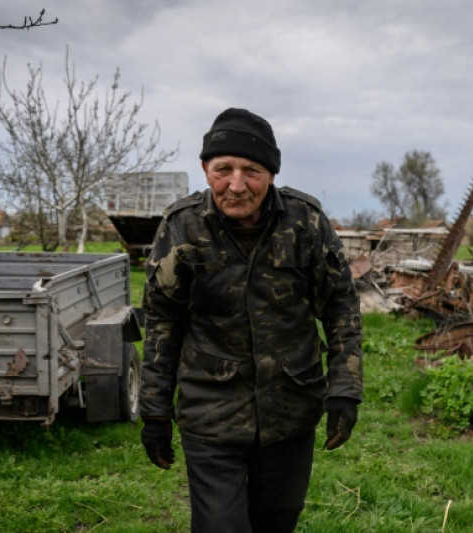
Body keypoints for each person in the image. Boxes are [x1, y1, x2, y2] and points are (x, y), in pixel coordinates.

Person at [139, 107, 363, 533]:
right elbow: (162, 321)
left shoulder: (306, 222)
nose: (236, 185)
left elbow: (340, 308)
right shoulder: (181, 227)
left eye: (252, 171)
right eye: (224, 169)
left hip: (290, 408)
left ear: (272, 174)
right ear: (206, 170)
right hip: (211, 410)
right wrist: (154, 411)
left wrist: (345, 390)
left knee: (276, 524)